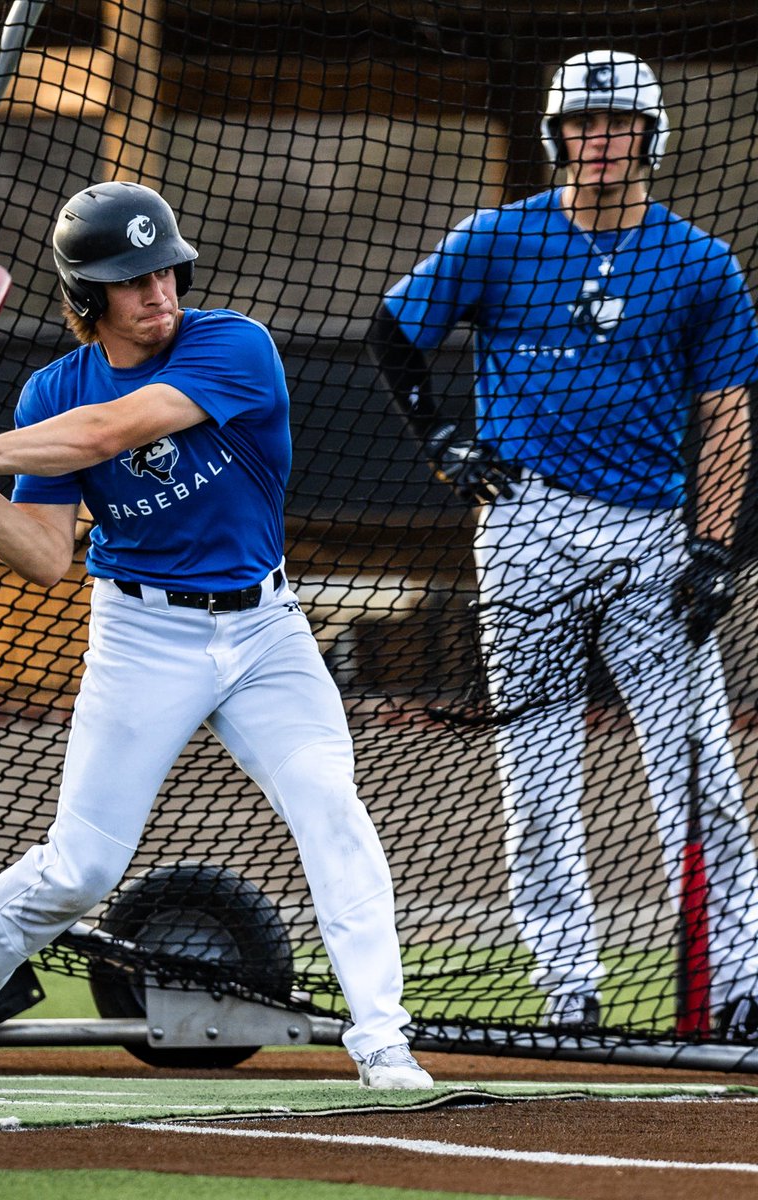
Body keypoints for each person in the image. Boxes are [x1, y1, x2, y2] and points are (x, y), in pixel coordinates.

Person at [0, 180, 433, 1089]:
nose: (159, 293)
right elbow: (41, 555)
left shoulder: (233, 344)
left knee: (330, 807)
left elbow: (113, 432)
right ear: (86, 298)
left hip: (265, 627)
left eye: (166, 271)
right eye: (132, 279)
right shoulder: (52, 389)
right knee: (80, 869)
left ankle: (382, 1038)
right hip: (142, 638)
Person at [369, 48, 758, 1040]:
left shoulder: (701, 263)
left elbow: (726, 416)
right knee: (535, 779)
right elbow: (391, 332)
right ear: (557, 138)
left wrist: (713, 548)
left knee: (699, 767)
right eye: (581, 126)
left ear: (649, 137)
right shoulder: (498, 240)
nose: (598, 142)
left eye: (616, 124)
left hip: (649, 532)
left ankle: (738, 986)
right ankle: (566, 994)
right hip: (526, 526)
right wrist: (441, 441)